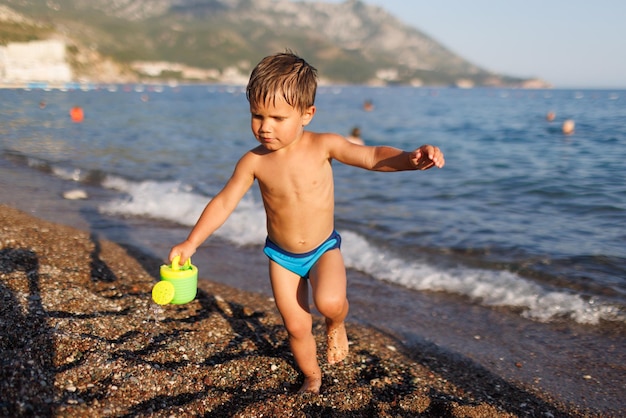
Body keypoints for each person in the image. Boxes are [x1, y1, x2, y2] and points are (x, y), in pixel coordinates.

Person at [168, 51, 445, 394]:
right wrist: (191, 242)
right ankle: (312, 377)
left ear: (306, 115)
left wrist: (410, 159)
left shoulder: (324, 145)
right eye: (257, 115)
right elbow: (224, 201)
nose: (265, 126)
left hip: (322, 248)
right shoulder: (253, 162)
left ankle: (337, 323)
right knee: (296, 325)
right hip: (281, 257)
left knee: (328, 303)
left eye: (277, 117)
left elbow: (371, 156)